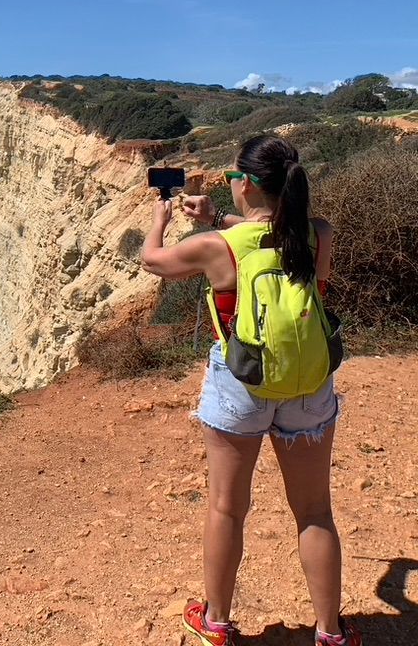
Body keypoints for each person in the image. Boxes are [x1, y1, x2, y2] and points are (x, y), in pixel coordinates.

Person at [140, 134, 361, 646]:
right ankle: (331, 634)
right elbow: (273, 234)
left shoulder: (216, 249)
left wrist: (162, 222)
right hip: (309, 383)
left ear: (247, 186)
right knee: (314, 512)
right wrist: (217, 216)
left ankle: (216, 623)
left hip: (241, 385)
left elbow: (154, 261)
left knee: (226, 508)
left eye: (232, 176)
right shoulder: (318, 234)